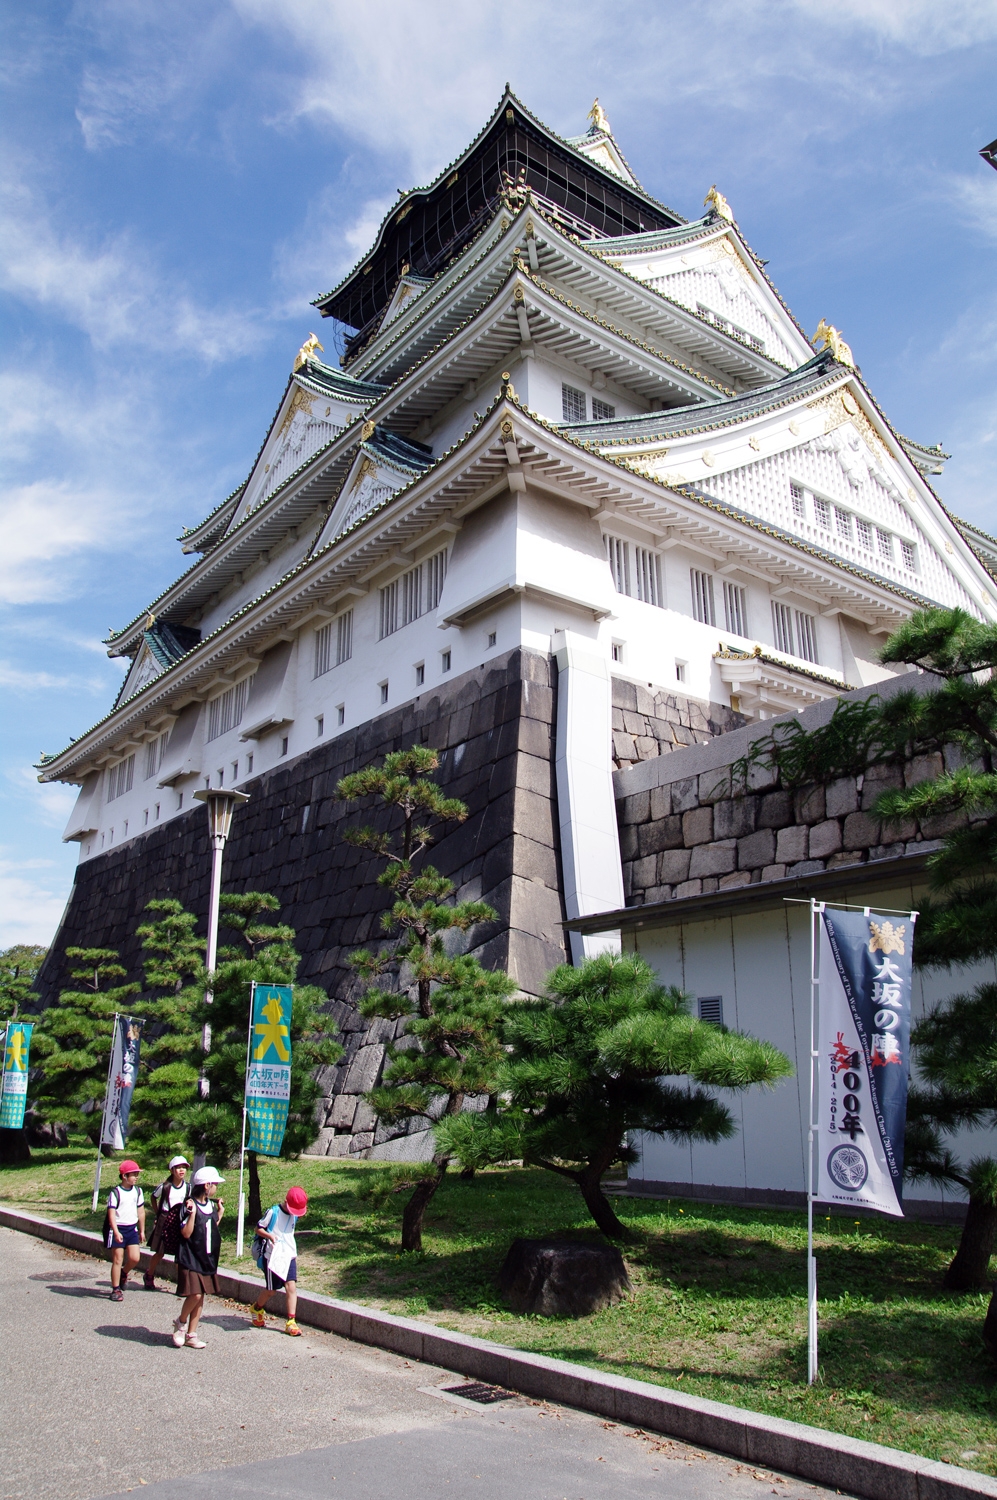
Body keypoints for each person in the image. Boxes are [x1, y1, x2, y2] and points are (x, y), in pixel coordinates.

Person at [171, 1166, 224, 1349]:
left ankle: (192, 1334)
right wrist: (192, 1214)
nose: (216, 1187)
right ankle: (181, 1322)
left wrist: (220, 1214)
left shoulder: (209, 1204)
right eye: (215, 1184)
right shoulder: (189, 1204)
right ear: (207, 1185)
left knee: (201, 1297)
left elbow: (209, 1227)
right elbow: (186, 1233)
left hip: (206, 1256)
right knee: (195, 1294)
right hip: (191, 1255)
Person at [248, 1186, 307, 1336]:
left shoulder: (294, 1215)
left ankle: (291, 1322)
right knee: (271, 1290)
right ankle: (257, 1308)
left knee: (291, 1287)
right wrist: (270, 1236)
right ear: (287, 1203)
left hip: (289, 1255)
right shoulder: (273, 1212)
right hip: (272, 1256)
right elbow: (258, 1228)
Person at [144, 1155, 191, 1289]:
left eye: (184, 1168)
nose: (181, 1170)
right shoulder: (165, 1187)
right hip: (165, 1220)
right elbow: (153, 1197)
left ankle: (181, 1284)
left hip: (180, 1221)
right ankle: (149, 1275)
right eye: (178, 1168)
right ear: (171, 1170)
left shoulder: (188, 1187)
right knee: (160, 1252)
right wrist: (158, 1212)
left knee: (180, 1254)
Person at [106, 1160, 145, 1302]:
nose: (136, 1177)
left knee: (135, 1258)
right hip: (119, 1228)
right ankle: (115, 1288)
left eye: (137, 1174)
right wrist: (116, 1231)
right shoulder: (116, 1193)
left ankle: (124, 1272)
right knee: (118, 1259)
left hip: (132, 1228)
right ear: (124, 1176)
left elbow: (140, 1211)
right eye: (133, 1174)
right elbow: (111, 1214)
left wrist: (142, 1230)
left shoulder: (138, 1191)